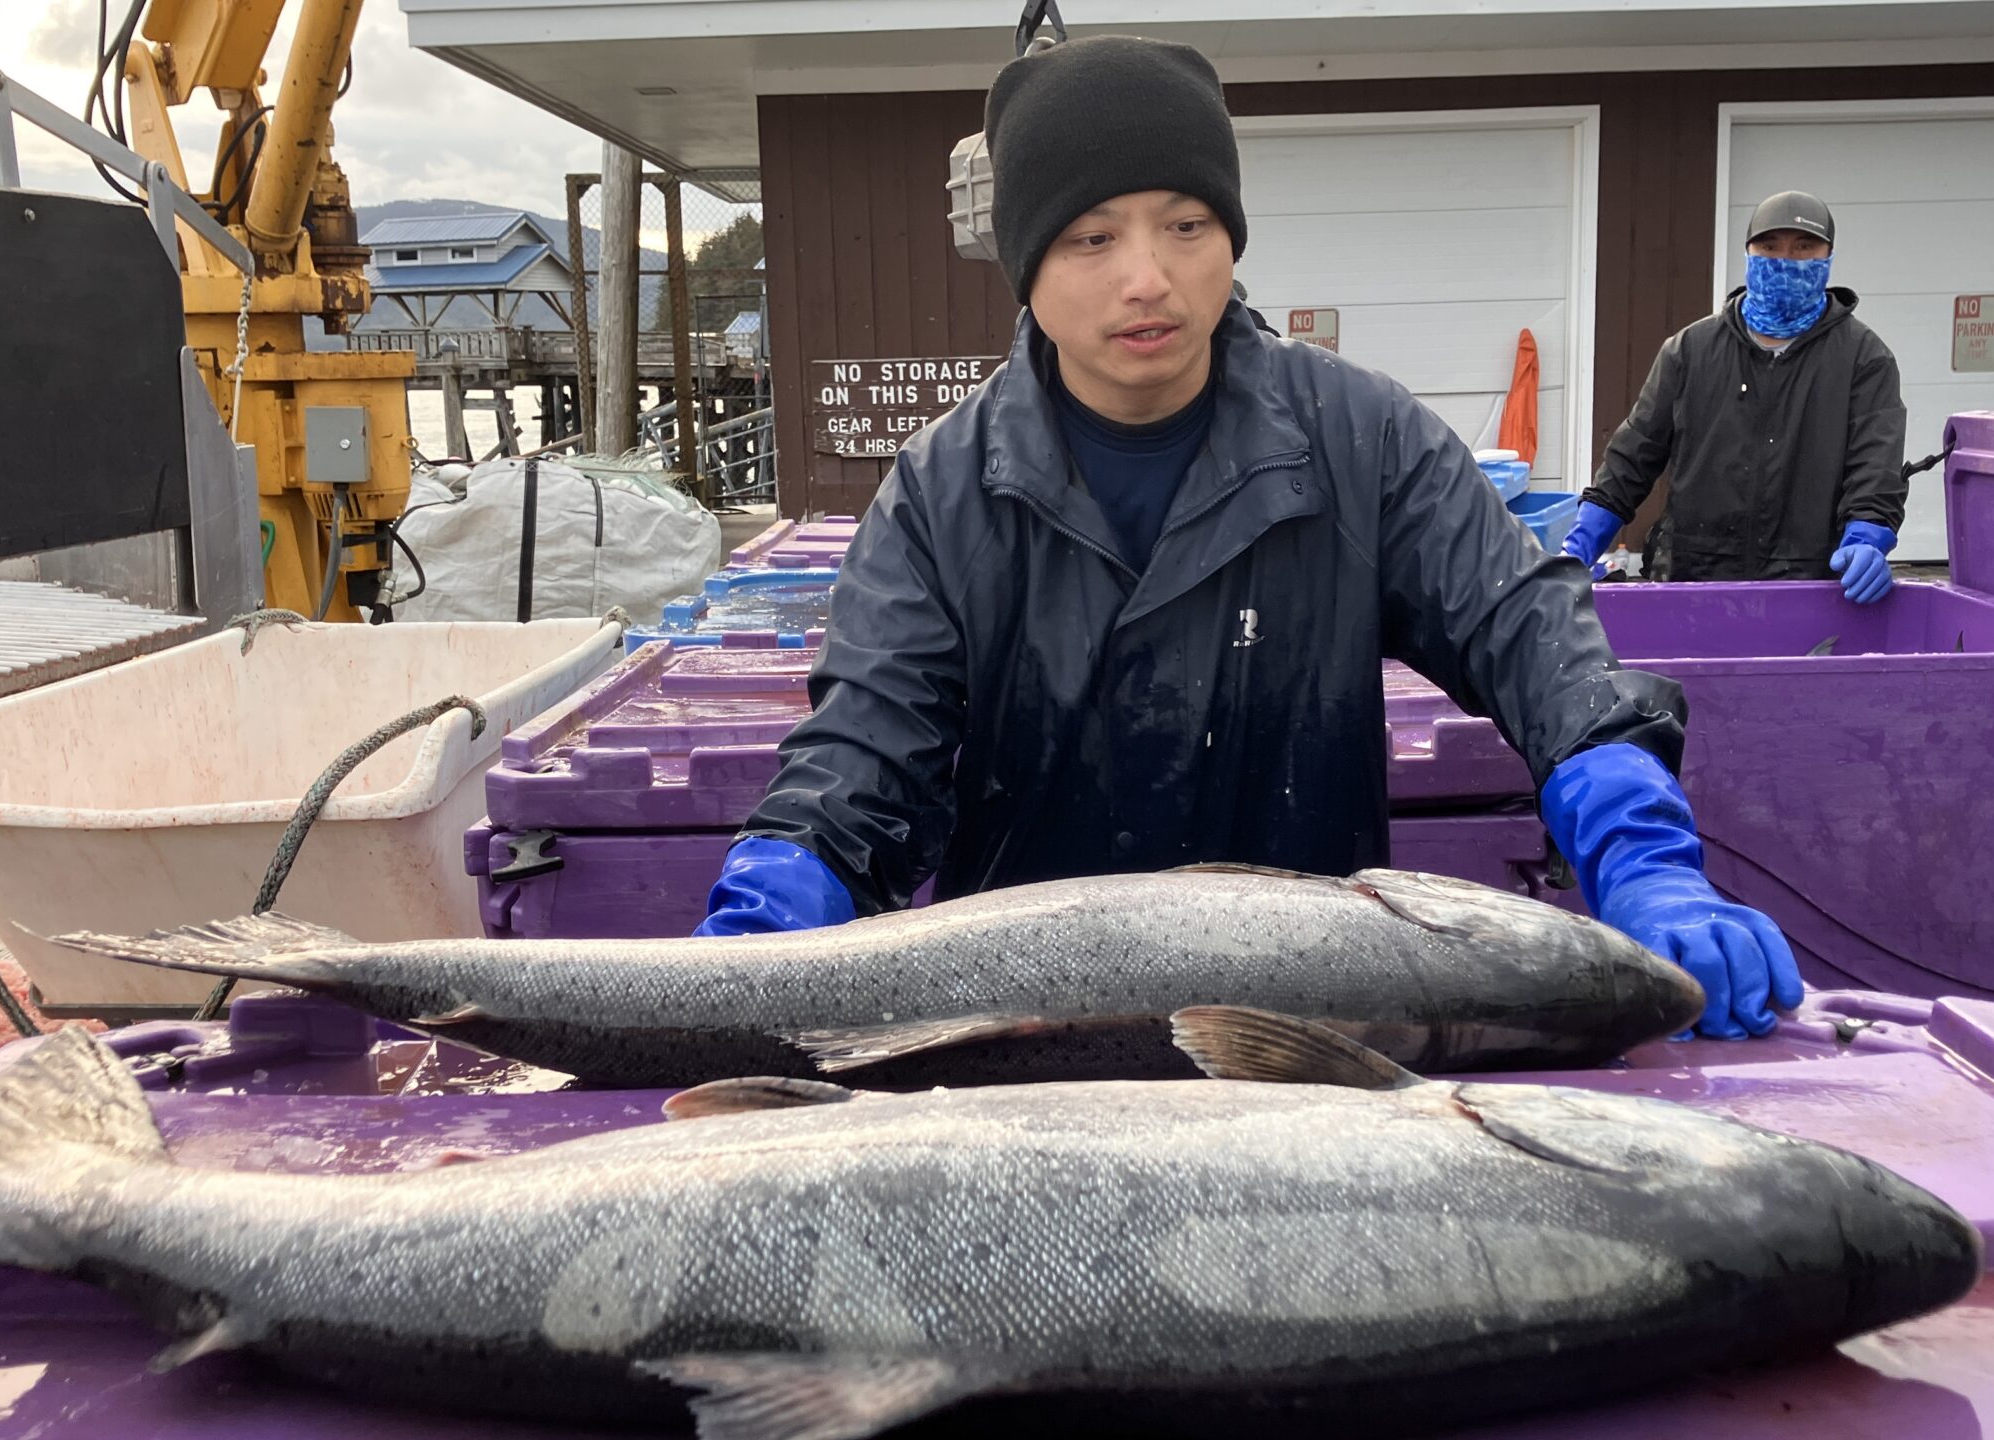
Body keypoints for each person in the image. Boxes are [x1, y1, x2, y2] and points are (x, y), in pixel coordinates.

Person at [693, 36, 1801, 1039]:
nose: (1148, 276)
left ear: (1230, 235)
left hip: (1314, 1038)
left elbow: (1528, 636)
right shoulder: (942, 490)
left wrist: (1648, 863)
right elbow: (866, 756)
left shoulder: (1359, 438)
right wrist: (772, 906)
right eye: (1090, 235)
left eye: (1186, 224)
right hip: (1013, 1042)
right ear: (1027, 262)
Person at [1560, 191, 1907, 602]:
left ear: (1828, 255)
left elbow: (1875, 466)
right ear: (1748, 251)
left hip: (1812, 588)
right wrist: (1579, 547)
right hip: (1693, 582)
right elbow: (1634, 455)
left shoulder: (1864, 358)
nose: (1786, 259)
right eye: (1770, 246)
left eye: (1804, 247)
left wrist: (1866, 537)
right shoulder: (1690, 349)